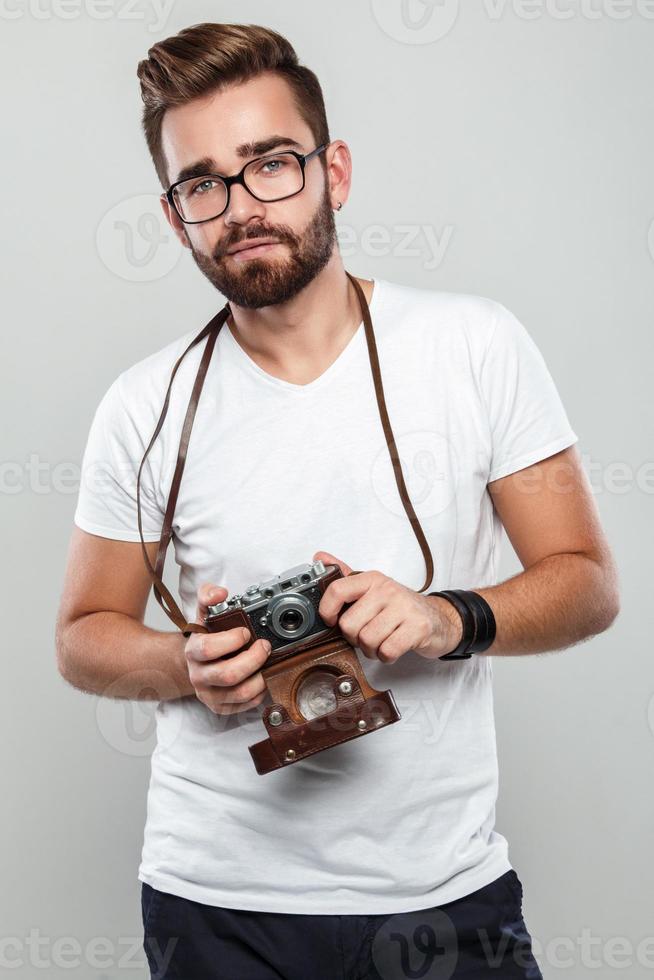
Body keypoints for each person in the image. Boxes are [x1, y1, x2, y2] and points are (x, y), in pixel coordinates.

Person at [55, 21, 620, 980]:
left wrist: (446, 618)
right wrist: (188, 666)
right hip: (216, 901)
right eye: (203, 183)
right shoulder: (142, 406)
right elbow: (81, 636)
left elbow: (588, 584)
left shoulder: (474, 347)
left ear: (335, 171)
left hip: (441, 891)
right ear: (174, 216)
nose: (241, 206)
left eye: (271, 163)